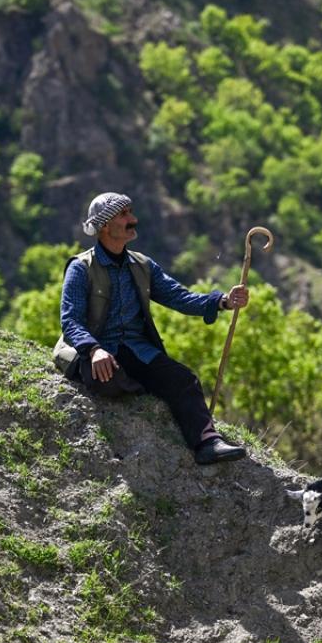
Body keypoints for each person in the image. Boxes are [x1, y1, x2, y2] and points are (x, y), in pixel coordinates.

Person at [58, 192, 250, 465]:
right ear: (104, 226)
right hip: (101, 352)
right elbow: (70, 320)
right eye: (124, 215)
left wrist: (223, 301)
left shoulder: (143, 265)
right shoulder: (80, 268)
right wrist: (93, 349)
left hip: (139, 350)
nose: (133, 219)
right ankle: (134, 383)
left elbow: (179, 297)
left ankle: (208, 443)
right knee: (108, 380)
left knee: (184, 380)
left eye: (131, 213)